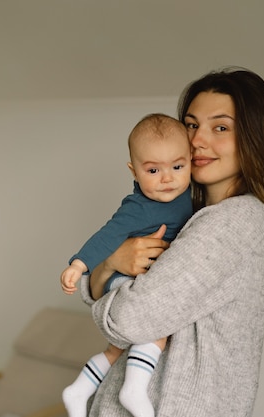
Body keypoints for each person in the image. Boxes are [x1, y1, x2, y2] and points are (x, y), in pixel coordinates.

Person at [79, 67, 264, 416]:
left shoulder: (237, 220)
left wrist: (103, 281)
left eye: (220, 127)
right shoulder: (187, 217)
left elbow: (130, 321)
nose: (197, 140)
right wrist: (108, 264)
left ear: (254, 138)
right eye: (192, 124)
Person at [60, 113, 194, 417]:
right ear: (134, 172)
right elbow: (106, 236)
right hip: (124, 279)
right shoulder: (139, 208)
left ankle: (78, 389)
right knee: (157, 320)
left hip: (137, 278)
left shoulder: (187, 194)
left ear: (190, 161)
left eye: (177, 166)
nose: (167, 178)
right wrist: (79, 265)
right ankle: (134, 389)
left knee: (115, 350)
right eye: (153, 170)